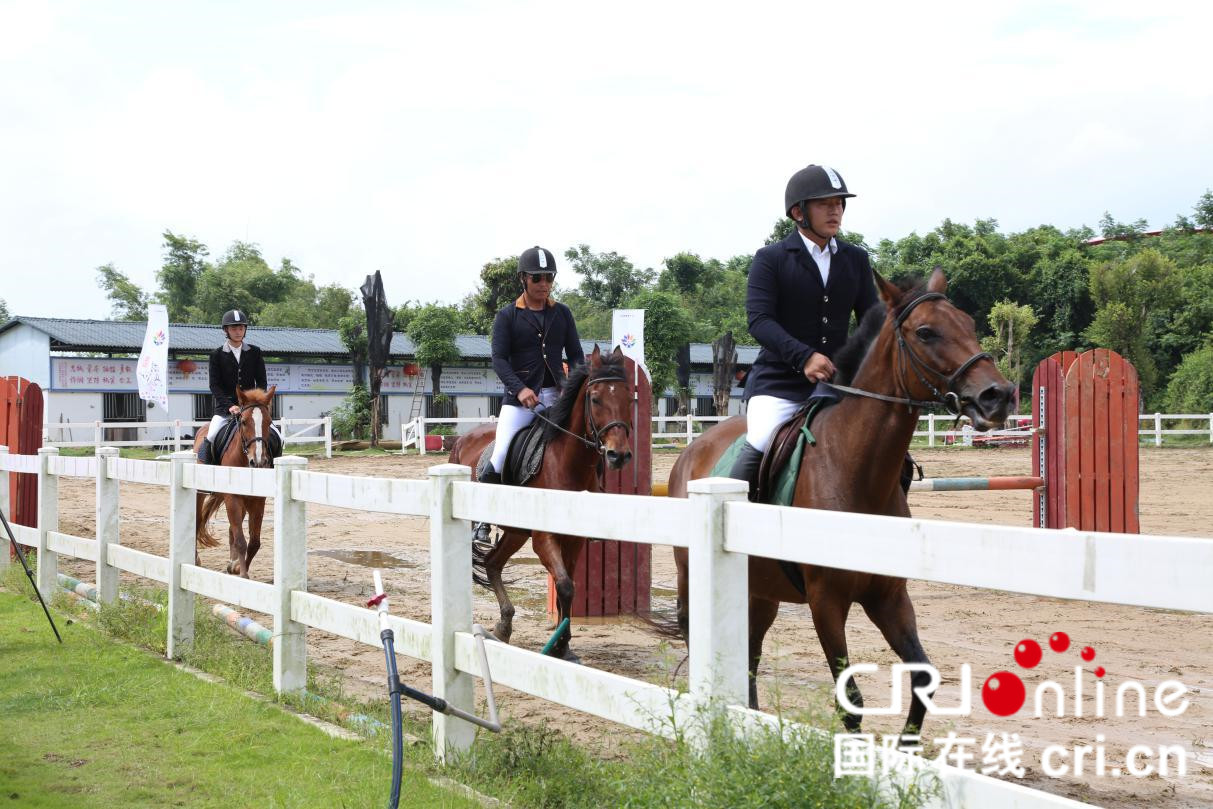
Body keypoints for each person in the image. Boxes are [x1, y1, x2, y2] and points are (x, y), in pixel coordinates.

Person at [732, 164, 878, 497]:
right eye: (825, 203)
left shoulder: (855, 259)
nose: (835, 210)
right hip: (780, 383)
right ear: (799, 212)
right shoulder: (771, 258)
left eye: (839, 203)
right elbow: (760, 321)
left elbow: (872, 322)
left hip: (838, 384)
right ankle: (723, 518)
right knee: (761, 438)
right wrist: (805, 357)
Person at [482, 245, 586, 486]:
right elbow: (499, 359)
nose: (544, 283)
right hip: (521, 403)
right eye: (537, 277)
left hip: (558, 398)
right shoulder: (507, 316)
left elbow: (576, 355)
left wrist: (570, 387)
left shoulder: (563, 313)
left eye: (549, 277)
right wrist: (520, 389)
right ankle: (483, 519)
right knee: (500, 456)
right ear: (523, 279)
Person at [198, 309, 268, 464]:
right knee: (211, 436)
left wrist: (258, 403)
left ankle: (275, 471)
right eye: (234, 328)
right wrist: (230, 406)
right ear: (226, 330)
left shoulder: (255, 352)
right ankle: (208, 472)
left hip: (251, 408)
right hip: (225, 410)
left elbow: (262, 382)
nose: (238, 332)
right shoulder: (216, 355)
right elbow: (214, 385)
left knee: (277, 436)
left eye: (241, 328)